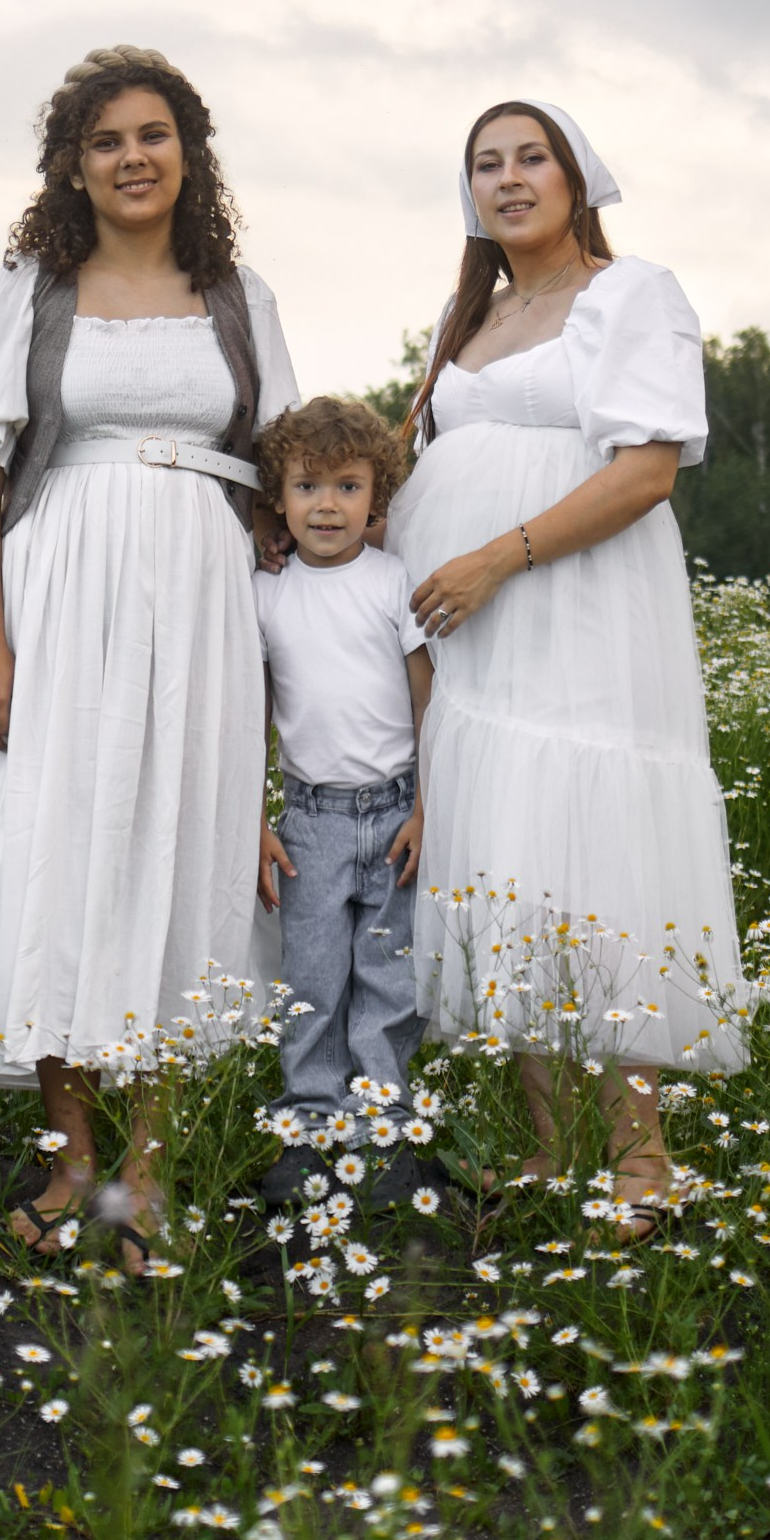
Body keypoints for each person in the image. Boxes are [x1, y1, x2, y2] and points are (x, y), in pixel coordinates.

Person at [0, 46, 298, 1265]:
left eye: (152, 135)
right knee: (56, 854)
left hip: (202, 605)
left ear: (187, 152)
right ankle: (70, 1164)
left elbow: (285, 475)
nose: (131, 158)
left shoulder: (237, 296)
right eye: (105, 141)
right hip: (58, 594)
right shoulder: (29, 291)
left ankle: (145, 1177)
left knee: (177, 857)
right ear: (72, 167)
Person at [383, 99, 746, 1228]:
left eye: (530, 157)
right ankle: (551, 1146)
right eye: (485, 164)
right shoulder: (472, 316)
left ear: (575, 176)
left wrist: (501, 555)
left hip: (575, 604)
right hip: (473, 631)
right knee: (508, 845)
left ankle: (640, 1159)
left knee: (595, 849)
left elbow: (646, 470)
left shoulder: (630, 293)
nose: (507, 179)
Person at [251, 396, 434, 1210]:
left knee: (389, 978)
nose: (327, 505)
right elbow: (253, 714)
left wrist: (428, 806)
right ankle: (309, 1124)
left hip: (394, 811)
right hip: (311, 820)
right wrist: (253, 818)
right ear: (279, 498)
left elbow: (426, 700)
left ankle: (381, 1128)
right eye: (308, 486)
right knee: (313, 978)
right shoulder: (266, 593)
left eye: (348, 487)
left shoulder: (394, 582)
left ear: (377, 497)